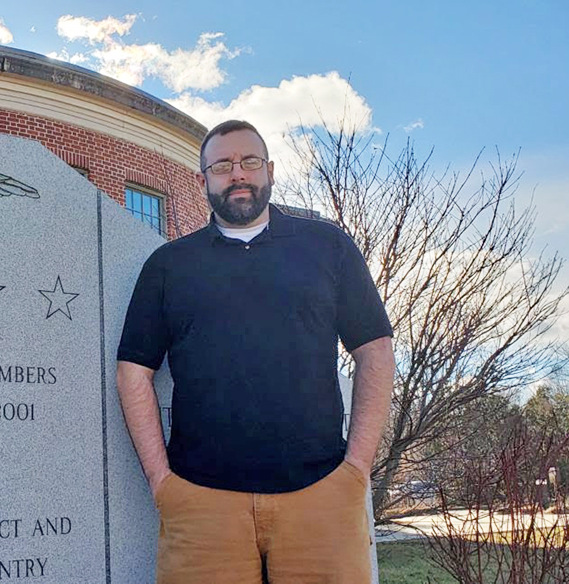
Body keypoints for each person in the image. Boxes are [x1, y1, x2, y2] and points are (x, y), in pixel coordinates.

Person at [116, 119, 395, 583]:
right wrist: (161, 482)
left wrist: (357, 470)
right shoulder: (169, 266)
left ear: (268, 170)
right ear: (201, 179)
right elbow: (132, 371)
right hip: (201, 504)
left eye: (249, 161)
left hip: (321, 496)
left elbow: (376, 350)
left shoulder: (327, 247)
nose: (238, 174)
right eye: (222, 165)